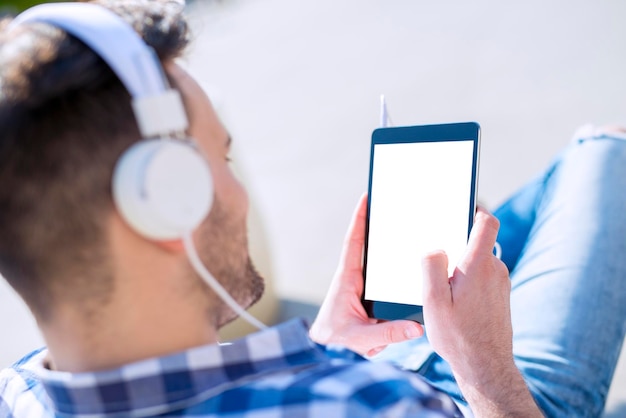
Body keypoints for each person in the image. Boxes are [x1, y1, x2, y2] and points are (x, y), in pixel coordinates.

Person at [0, 1, 623, 417]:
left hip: (366, 357)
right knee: (603, 153)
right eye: (224, 160)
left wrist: (325, 345)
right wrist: (485, 366)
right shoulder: (362, 404)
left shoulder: (20, 394)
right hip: (492, 396)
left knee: (498, 233)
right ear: (168, 202)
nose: (238, 191)